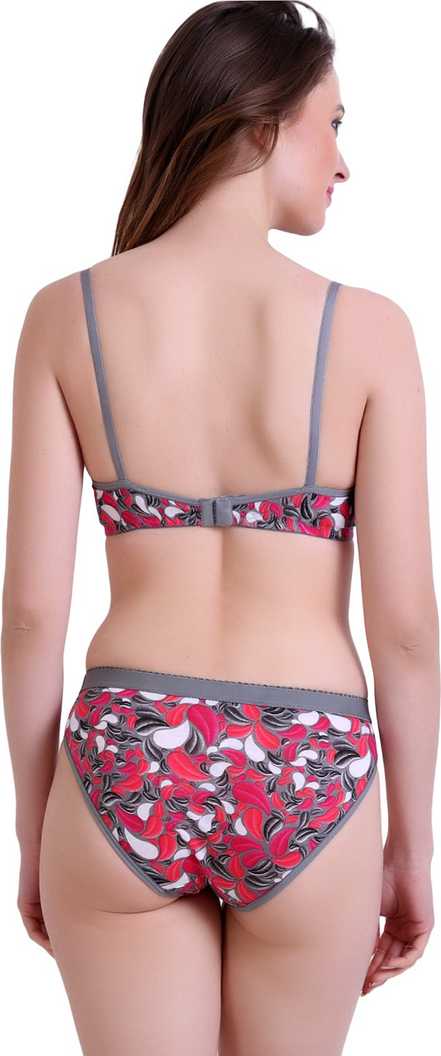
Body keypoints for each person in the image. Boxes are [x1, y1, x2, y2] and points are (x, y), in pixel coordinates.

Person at [2, 2, 439, 1054]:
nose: (344, 163)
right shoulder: (369, 331)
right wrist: (413, 846)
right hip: (308, 764)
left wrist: (36, 824)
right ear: (260, 124)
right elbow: (407, 629)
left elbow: (28, 614)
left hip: (124, 758)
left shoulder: (67, 315)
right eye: (334, 124)